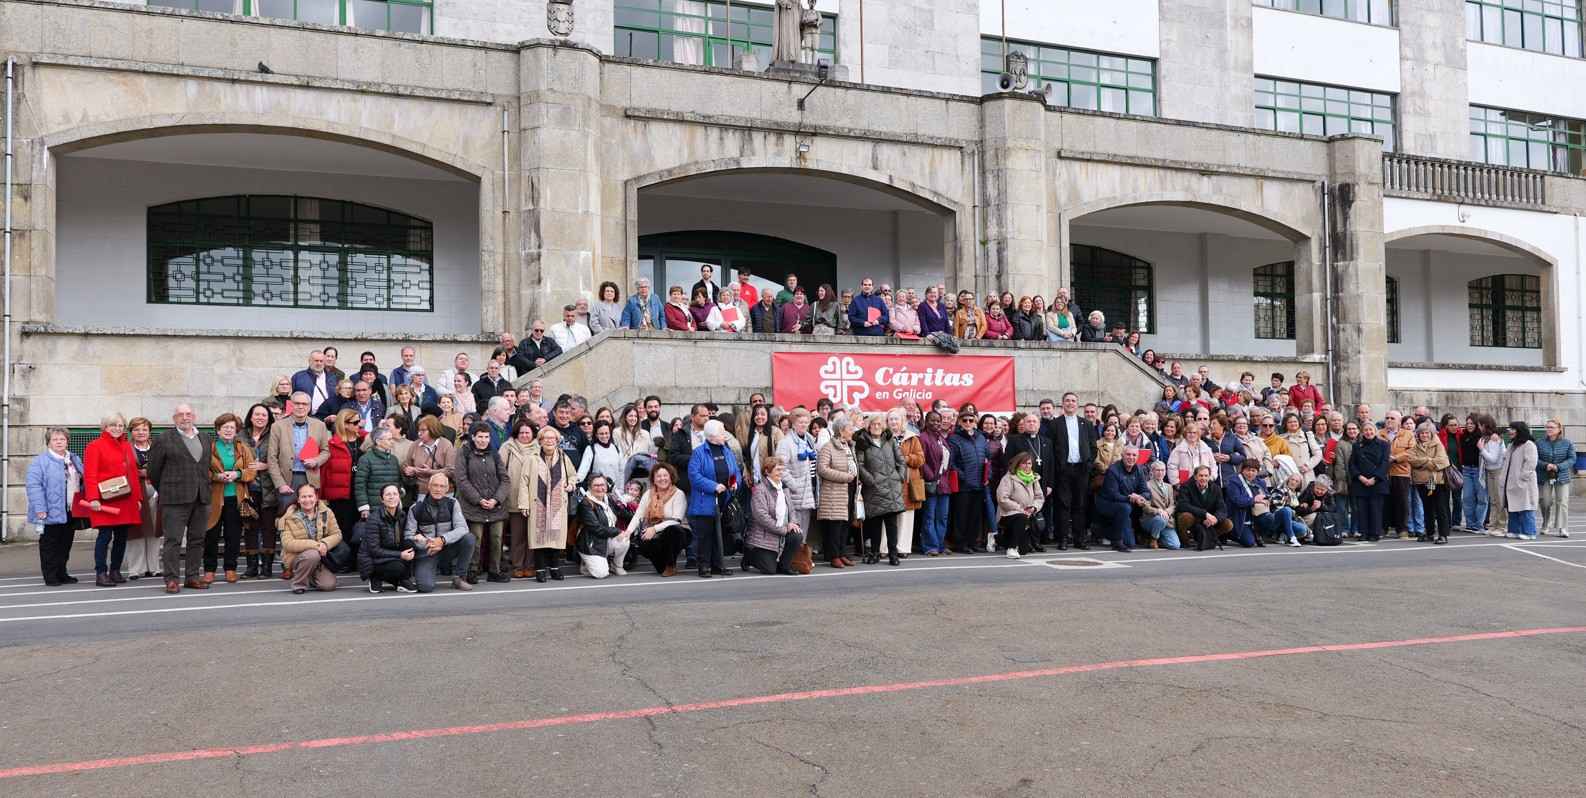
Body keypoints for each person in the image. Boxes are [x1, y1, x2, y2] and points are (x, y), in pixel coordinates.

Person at [146, 405, 215, 593]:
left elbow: (205, 466)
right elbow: (153, 471)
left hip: (201, 497)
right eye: (180, 415)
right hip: (174, 498)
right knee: (173, 540)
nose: (185, 417)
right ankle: (171, 579)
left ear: (194, 416)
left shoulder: (205, 438)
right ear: (174, 418)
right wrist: (167, 489)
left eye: (188, 414)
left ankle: (192, 577)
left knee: (197, 539)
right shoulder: (163, 439)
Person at [81, 413, 144, 587]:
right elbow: (90, 474)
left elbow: (133, 474)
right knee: (105, 536)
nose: (117, 428)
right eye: (113, 425)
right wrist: (92, 497)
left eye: (120, 425)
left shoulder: (126, 446)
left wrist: (137, 498)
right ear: (105, 427)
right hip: (104, 499)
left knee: (122, 536)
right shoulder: (94, 446)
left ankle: (115, 571)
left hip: (126, 498)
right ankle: (101, 573)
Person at [26, 428, 87, 586]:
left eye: (62, 439)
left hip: (71, 509)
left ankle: (62, 573)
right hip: (49, 511)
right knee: (49, 545)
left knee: (65, 544)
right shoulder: (40, 461)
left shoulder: (73, 459)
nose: (59, 442)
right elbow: (33, 486)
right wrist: (40, 509)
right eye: (55, 439)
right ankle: (50, 575)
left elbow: (82, 480)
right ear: (49, 442)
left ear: (67, 441)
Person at [203, 413, 257, 585]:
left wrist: (237, 474)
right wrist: (217, 477)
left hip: (236, 497)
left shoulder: (242, 447)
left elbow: (252, 470)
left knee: (232, 536)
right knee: (211, 534)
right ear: (218, 430)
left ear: (236, 431)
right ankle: (209, 570)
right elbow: (203, 471)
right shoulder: (209, 447)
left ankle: (230, 569)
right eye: (224, 427)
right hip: (214, 498)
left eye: (231, 428)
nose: (228, 430)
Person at [452, 422, 510, 583]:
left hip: (495, 505)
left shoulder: (494, 453)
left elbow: (505, 479)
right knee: (475, 539)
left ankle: (495, 570)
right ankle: (472, 570)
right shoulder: (464, 452)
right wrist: (478, 500)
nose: (483, 440)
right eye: (480, 436)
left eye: (486, 437)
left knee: (497, 538)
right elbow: (461, 480)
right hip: (473, 505)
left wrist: (496, 499)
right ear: (473, 437)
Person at [520, 425, 577, 581]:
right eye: (546, 438)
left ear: (557, 441)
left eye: (553, 438)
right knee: (539, 538)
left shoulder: (564, 457)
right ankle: (540, 570)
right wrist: (524, 504)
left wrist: (571, 484)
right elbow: (524, 482)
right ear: (540, 441)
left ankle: (555, 568)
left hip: (558, 505)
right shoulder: (532, 458)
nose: (550, 441)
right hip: (537, 503)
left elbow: (573, 475)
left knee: (555, 537)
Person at [405, 472, 477, 592]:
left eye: (442, 486)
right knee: (425, 588)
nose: (438, 489)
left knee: (469, 538)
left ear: (447, 489)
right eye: (435, 485)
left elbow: (462, 528)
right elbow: (408, 536)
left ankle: (459, 578)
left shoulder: (452, 503)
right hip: (427, 552)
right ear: (429, 486)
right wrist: (429, 543)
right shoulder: (416, 508)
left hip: (447, 549)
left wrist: (442, 540)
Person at [687, 419, 741, 577]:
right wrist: (713, 486)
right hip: (706, 500)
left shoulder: (726, 450)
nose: (725, 434)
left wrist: (735, 482)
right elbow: (694, 476)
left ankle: (718, 565)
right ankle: (704, 566)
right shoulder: (699, 453)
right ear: (712, 436)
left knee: (720, 533)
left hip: (725, 498)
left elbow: (736, 470)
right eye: (722, 432)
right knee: (705, 535)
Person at [854, 413, 905, 566]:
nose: (876, 427)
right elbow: (859, 465)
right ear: (868, 426)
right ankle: (874, 553)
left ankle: (893, 555)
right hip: (874, 488)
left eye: (879, 424)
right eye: (873, 424)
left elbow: (901, 460)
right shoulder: (862, 442)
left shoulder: (890, 440)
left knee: (891, 525)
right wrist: (870, 480)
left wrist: (900, 476)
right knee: (875, 525)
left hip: (891, 487)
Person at [276, 484, 341, 595]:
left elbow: (337, 534)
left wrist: (325, 544)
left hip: (320, 556)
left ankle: (309, 575)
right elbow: (287, 543)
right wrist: (316, 545)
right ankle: (299, 584)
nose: (307, 500)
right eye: (304, 497)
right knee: (312, 554)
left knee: (328, 585)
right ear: (298, 500)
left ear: (316, 497)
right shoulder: (288, 516)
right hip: (296, 557)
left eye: (310, 496)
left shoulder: (326, 512)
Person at [626, 464, 689, 576]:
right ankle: (663, 565)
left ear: (671, 477)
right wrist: (628, 532)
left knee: (672, 530)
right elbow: (638, 515)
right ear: (654, 479)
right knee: (643, 542)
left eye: (665, 475)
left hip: (678, 531)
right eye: (658, 476)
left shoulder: (678, 494)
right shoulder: (648, 494)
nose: (662, 478)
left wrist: (654, 529)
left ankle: (671, 564)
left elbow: (676, 520)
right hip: (654, 531)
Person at [816, 414, 860, 568]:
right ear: (841, 431)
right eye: (850, 428)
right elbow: (822, 469)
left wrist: (855, 477)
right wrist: (845, 477)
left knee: (845, 524)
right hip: (834, 491)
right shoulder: (828, 446)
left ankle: (841, 553)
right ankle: (833, 555)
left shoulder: (849, 445)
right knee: (835, 525)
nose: (853, 431)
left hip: (849, 489)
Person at [357, 484, 417, 593]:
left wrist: (416, 537)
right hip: (372, 560)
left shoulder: (402, 515)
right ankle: (375, 577)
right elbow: (374, 550)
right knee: (398, 566)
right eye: (388, 494)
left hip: (390, 554)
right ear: (382, 499)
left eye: (395, 494)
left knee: (410, 544)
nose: (391, 497)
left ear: (399, 497)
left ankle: (401, 580)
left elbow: (404, 539)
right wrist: (400, 555)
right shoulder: (374, 519)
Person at [945, 409, 989, 553]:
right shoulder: (954, 438)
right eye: (965, 420)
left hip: (979, 483)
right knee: (961, 515)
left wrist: (988, 474)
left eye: (971, 420)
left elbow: (987, 458)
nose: (968, 423)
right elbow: (951, 463)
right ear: (959, 422)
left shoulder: (981, 437)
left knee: (975, 515)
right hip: (963, 484)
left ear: (975, 422)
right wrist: (962, 476)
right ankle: (960, 543)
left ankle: (972, 542)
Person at [125, 417, 163, 580]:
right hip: (134, 493)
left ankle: (154, 567)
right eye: (137, 429)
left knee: (154, 531)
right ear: (131, 432)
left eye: (144, 429)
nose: (141, 433)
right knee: (136, 531)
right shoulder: (125, 448)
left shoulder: (158, 447)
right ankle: (136, 569)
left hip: (156, 492)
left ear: (149, 431)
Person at [1095, 446, 1149, 552]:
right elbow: (1113, 495)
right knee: (1125, 508)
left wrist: (1140, 497)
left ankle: (1103, 531)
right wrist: (1130, 498)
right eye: (1128, 454)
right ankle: (1116, 541)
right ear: (1122, 455)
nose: (1131, 457)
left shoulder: (1139, 469)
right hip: (1106, 503)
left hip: (1126, 504)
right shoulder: (1113, 470)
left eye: (1134, 455)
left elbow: (1146, 492)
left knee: (1130, 544)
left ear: (1137, 457)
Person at [575, 475, 629, 578]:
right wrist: (617, 531)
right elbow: (596, 528)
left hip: (605, 539)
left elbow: (622, 513)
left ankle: (616, 566)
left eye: (602, 485)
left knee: (625, 539)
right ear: (590, 487)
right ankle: (585, 564)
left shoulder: (608, 498)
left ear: (606, 486)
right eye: (596, 485)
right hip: (590, 544)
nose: (600, 488)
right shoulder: (586, 503)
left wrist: (639, 516)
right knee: (601, 574)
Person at [1407, 420, 1452, 544]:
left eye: (1427, 433)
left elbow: (1443, 462)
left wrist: (1423, 463)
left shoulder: (1438, 445)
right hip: (1421, 482)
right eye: (1422, 433)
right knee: (1427, 508)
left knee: (1440, 508)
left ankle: (1443, 535)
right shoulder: (1415, 446)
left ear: (1431, 433)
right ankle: (1429, 533)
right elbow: (1411, 459)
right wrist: (1430, 461)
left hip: (1436, 481)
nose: (1424, 435)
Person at [994, 451, 1042, 559]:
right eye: (1024, 463)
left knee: (1024, 550)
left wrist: (1033, 507)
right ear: (1018, 464)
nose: (1027, 466)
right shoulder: (1009, 478)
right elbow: (1002, 498)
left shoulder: (1034, 478)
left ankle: (997, 538)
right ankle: (1011, 548)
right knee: (1021, 517)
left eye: (1029, 463)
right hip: (1007, 514)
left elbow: (1039, 497)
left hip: (1026, 514)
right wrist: (1019, 509)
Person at [1348, 421, 1390, 542]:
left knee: (1375, 508)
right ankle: (1363, 532)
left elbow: (1385, 463)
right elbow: (1352, 464)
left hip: (1377, 481)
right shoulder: (1357, 445)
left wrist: (1375, 478)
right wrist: (1360, 477)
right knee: (1362, 509)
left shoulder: (1384, 445)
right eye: (1366, 430)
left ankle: (1375, 532)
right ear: (1362, 432)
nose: (1368, 432)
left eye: (1371, 430)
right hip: (1361, 482)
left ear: (1375, 431)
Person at [1175, 465, 1232, 551]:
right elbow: (1183, 505)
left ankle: (1208, 538)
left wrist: (1215, 518)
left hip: (1208, 521)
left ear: (1209, 477)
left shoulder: (1216, 488)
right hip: (1194, 518)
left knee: (1228, 524)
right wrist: (1205, 514)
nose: (1203, 478)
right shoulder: (1186, 486)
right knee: (1185, 517)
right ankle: (1184, 540)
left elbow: (1222, 509)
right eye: (1200, 475)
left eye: (1206, 476)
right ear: (1195, 477)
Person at [354, 426, 403, 523]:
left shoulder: (393, 459)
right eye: (389, 439)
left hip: (393, 507)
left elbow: (398, 482)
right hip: (374, 509)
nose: (392, 442)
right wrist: (364, 507)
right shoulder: (365, 459)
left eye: (392, 438)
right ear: (378, 441)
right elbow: (360, 485)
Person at [1536, 418, 1574, 538]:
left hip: (1562, 476)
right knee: (1544, 501)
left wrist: (1558, 466)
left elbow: (1572, 459)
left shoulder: (1567, 443)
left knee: (1562, 501)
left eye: (1551, 427)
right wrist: (1545, 465)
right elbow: (1535, 459)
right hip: (1544, 476)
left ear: (1559, 429)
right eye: (1547, 427)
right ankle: (1546, 522)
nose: (1548, 429)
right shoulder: (1540, 442)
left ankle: (1562, 527)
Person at [1504, 421, 1540, 540]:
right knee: (1513, 507)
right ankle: (1514, 530)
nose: (1510, 431)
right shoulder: (1511, 445)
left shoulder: (1529, 444)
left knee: (1526, 507)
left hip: (1525, 482)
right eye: (1510, 428)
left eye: (1513, 429)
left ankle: (1530, 532)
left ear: (1520, 431)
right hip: (1511, 481)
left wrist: (1522, 478)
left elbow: (1531, 463)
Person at [1222, 459, 1264, 548]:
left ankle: (1259, 534)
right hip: (1239, 519)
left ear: (1257, 472)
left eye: (1253, 471)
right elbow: (1238, 501)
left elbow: (1266, 495)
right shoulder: (1233, 481)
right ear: (1242, 470)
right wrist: (1254, 500)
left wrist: (1266, 499)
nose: (1250, 473)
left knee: (1270, 519)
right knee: (1249, 542)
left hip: (1254, 517)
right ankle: (1229, 533)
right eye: (1248, 470)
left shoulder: (1260, 482)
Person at [1141, 460, 1179, 549]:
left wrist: (1167, 512)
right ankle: (1153, 539)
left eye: (1162, 470)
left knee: (1175, 545)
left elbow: (1173, 504)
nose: (1160, 472)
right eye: (1157, 470)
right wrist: (1158, 511)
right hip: (1152, 519)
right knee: (1161, 520)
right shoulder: (1147, 485)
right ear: (1152, 472)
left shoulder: (1169, 487)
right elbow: (1145, 506)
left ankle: (1156, 537)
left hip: (1167, 519)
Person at [290, 349, 333, 415]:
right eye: (316, 361)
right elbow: (290, 397)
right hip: (305, 417)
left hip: (327, 418)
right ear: (309, 361)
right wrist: (290, 415)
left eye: (321, 361)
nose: (319, 363)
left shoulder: (332, 378)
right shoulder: (298, 377)